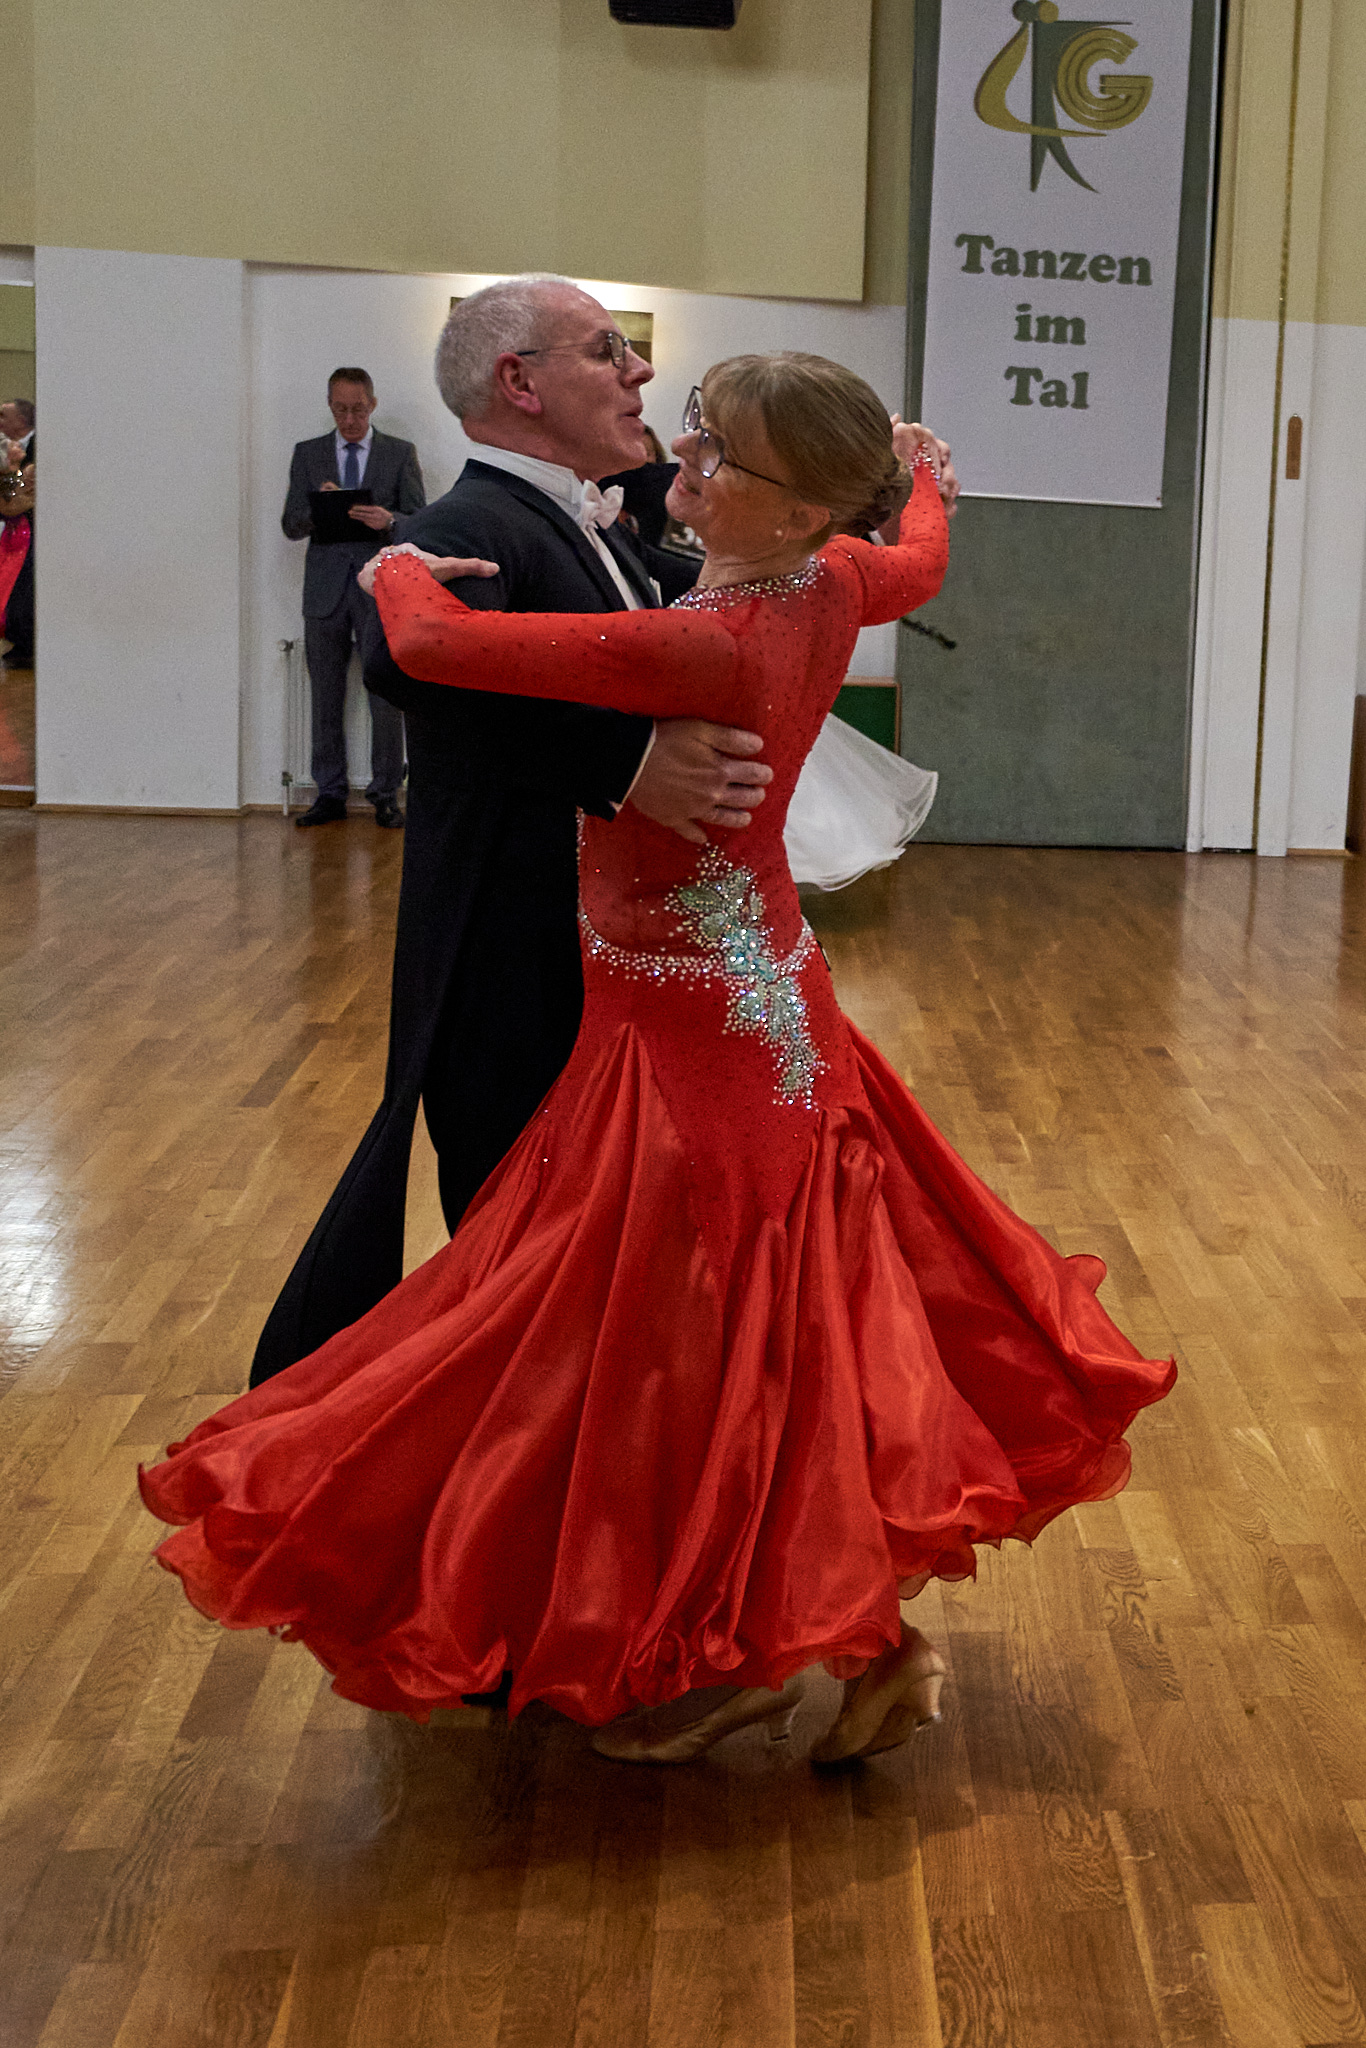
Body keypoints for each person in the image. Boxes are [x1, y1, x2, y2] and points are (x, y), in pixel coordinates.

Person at [143, 352, 1174, 1767]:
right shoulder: (835, 584)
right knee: (758, 1333)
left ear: (798, 508)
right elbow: (919, 559)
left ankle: (754, 1648)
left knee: (699, 1340)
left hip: (690, 1034)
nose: (680, 461)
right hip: (762, 1006)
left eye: (717, 455)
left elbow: (436, 646)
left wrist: (392, 572)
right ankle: (845, 1641)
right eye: (692, 433)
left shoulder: (712, 641)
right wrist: (925, 477)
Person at [248, 277, 778, 1386]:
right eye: (608, 350)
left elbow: (705, 597)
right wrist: (627, 765)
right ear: (519, 382)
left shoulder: (585, 518)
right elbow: (404, 659)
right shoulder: (469, 523)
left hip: (589, 965)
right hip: (515, 973)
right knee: (522, 1272)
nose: (640, 370)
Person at [282, 368, 426, 829]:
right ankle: (329, 794)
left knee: (385, 695)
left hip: (379, 587)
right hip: (324, 591)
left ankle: (386, 794)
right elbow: (290, 524)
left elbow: (420, 522)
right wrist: (318, 506)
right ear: (330, 405)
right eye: (341, 410)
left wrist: (389, 520)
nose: (349, 419)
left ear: (373, 404)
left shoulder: (399, 453)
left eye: (358, 410)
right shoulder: (308, 454)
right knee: (324, 695)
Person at [0, 401, 35, 668]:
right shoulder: (11, 449)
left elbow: (15, 498)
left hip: (29, 530)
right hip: (15, 529)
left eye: (3, 415)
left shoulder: (38, 448)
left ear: (21, 421)